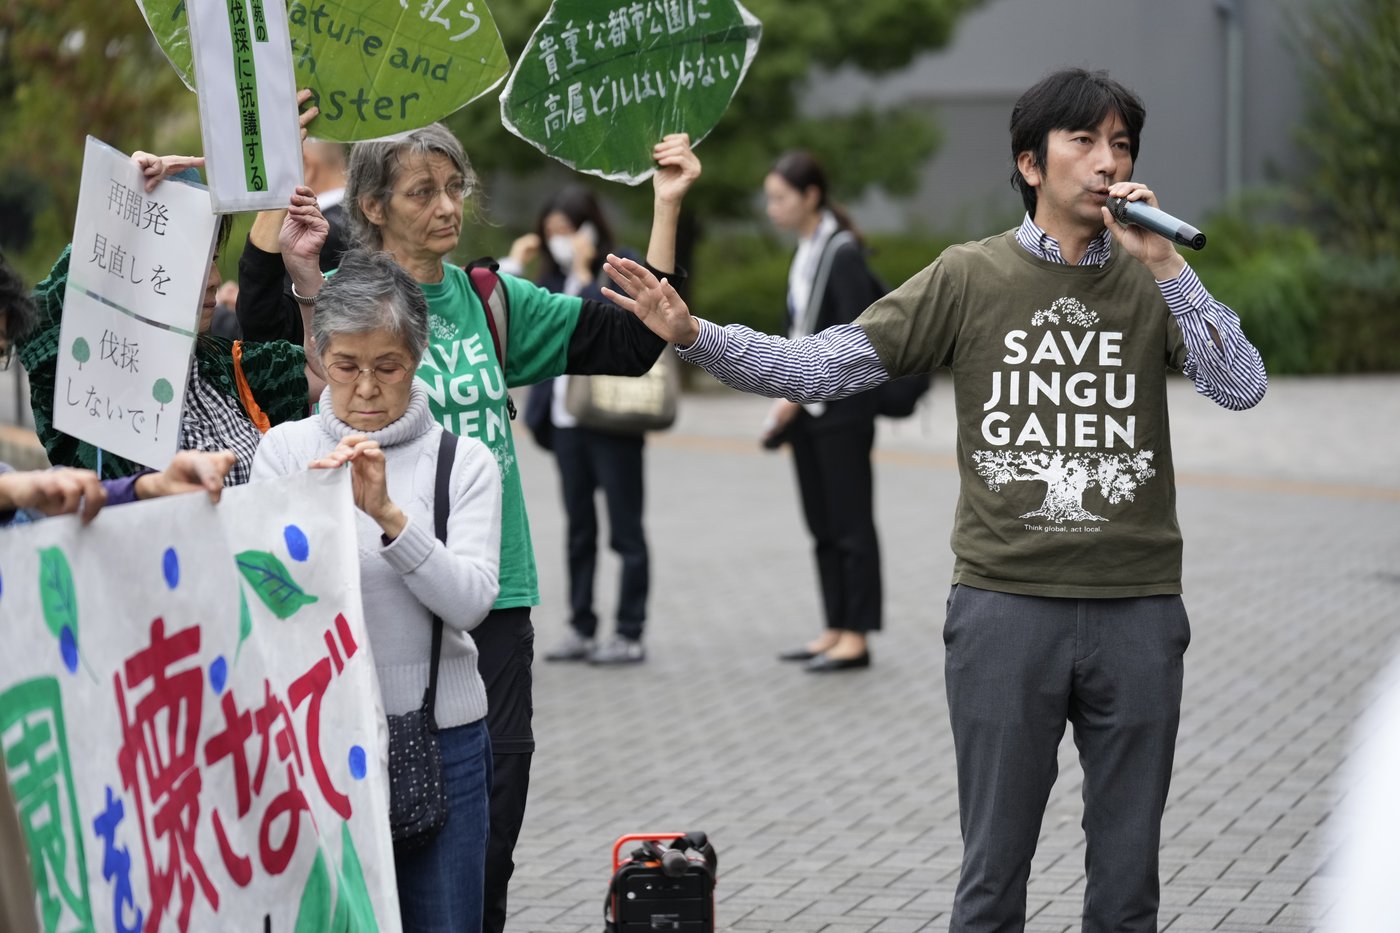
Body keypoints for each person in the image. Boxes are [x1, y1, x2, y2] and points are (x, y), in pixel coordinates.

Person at [603, 68, 1268, 932]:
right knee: (992, 878)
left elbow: (1241, 384)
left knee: (1128, 885)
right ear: (1030, 163)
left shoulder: (1152, 276)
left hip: (1137, 606)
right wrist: (695, 334)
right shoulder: (969, 275)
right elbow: (823, 365)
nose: (1109, 161)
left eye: (1122, 145)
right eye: (1084, 141)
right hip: (1005, 605)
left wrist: (1169, 265)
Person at [239, 124, 700, 932]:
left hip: (490, 595)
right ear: (373, 205)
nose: (449, 206)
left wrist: (665, 206)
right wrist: (272, 206)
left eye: (456, 188)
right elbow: (263, 340)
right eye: (424, 192)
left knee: (486, 841)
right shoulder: (344, 301)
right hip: (364, 608)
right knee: (367, 847)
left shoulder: (491, 299)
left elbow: (632, 341)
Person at [251, 249, 501, 932]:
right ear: (319, 356)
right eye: (345, 366)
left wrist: (390, 516)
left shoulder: (462, 462)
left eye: (386, 366)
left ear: (416, 359)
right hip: (320, 739)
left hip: (441, 736)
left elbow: (471, 602)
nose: (365, 387)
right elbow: (264, 599)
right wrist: (314, 511)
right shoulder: (285, 453)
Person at [16, 152, 317, 485]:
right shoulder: (91, 375)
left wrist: (306, 274)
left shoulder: (224, 365)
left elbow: (329, 369)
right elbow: (38, 318)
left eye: (214, 258)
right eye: (194, 261)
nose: (215, 278)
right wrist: (129, 195)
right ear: (135, 266)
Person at [503, 186, 653, 666]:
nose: (559, 240)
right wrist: (517, 262)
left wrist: (588, 273)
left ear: (589, 228)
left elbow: (617, 330)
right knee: (579, 530)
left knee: (625, 530)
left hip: (613, 422)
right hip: (566, 426)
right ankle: (581, 626)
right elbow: (507, 322)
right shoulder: (549, 278)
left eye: (566, 230)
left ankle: (629, 631)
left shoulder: (620, 265)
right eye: (551, 232)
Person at [759, 151, 883, 673]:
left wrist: (797, 392)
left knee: (851, 522)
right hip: (808, 410)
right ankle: (834, 626)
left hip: (842, 410)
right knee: (822, 524)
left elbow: (856, 336)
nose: (772, 208)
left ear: (811, 196)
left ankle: (857, 635)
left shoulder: (842, 253)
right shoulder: (807, 250)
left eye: (780, 198)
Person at [235, 127, 353, 340]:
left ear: (303, 166)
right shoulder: (376, 222)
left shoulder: (313, 238)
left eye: (271, 171)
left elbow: (264, 326)